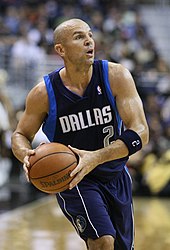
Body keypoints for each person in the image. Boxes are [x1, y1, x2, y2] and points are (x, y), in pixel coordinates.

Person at [11, 18, 149, 250]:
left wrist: (96, 157)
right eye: (79, 37)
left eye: (90, 35)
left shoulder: (116, 76)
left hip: (116, 175)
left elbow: (140, 133)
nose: (89, 41)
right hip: (74, 179)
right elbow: (20, 134)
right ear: (60, 49)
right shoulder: (43, 93)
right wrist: (26, 154)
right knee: (103, 241)